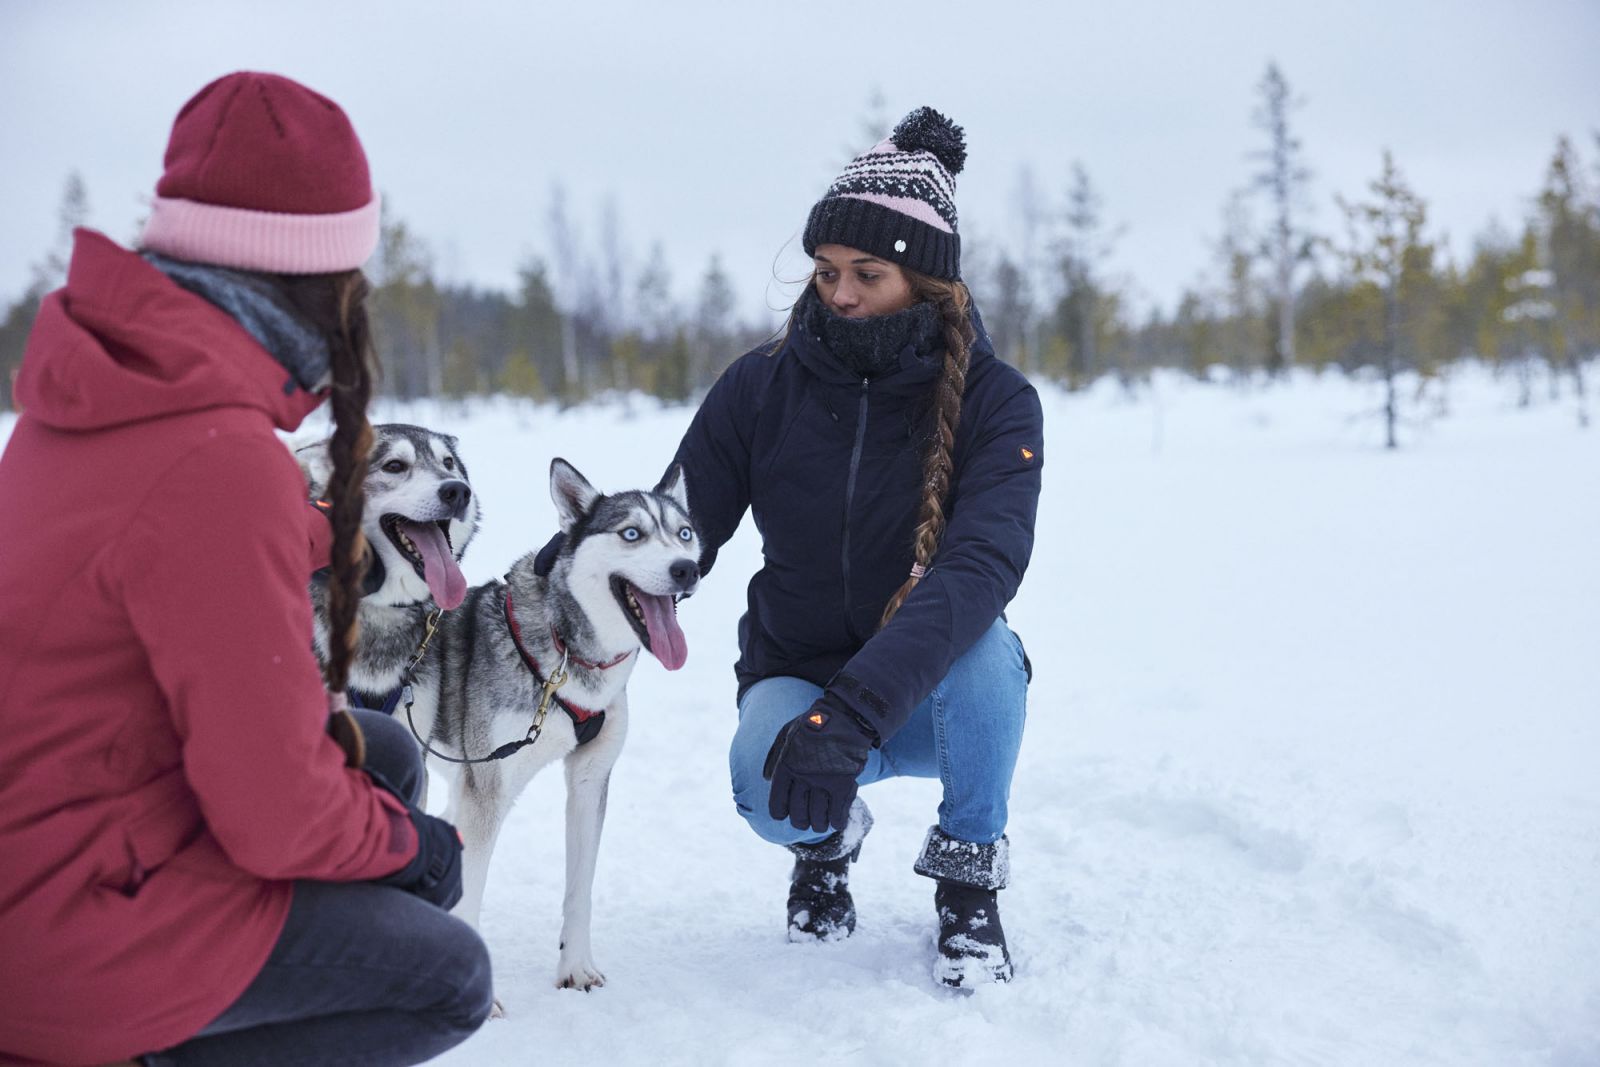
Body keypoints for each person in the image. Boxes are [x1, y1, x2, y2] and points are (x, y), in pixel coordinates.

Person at [0, 72, 491, 1065]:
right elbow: (279, 815)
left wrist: (307, 532)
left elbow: (146, 544)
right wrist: (415, 850)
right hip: (61, 932)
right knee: (446, 971)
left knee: (386, 757)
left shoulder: (95, 387)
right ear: (323, 275)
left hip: (41, 836)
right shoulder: (218, 460)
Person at [671, 108, 1043, 987]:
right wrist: (572, 600)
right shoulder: (758, 386)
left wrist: (858, 712)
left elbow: (981, 566)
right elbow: (678, 527)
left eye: (867, 274)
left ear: (926, 280)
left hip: (926, 697)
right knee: (763, 793)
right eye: (827, 271)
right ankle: (826, 840)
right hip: (800, 671)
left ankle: (967, 874)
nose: (839, 293)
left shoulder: (998, 402)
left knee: (988, 652)